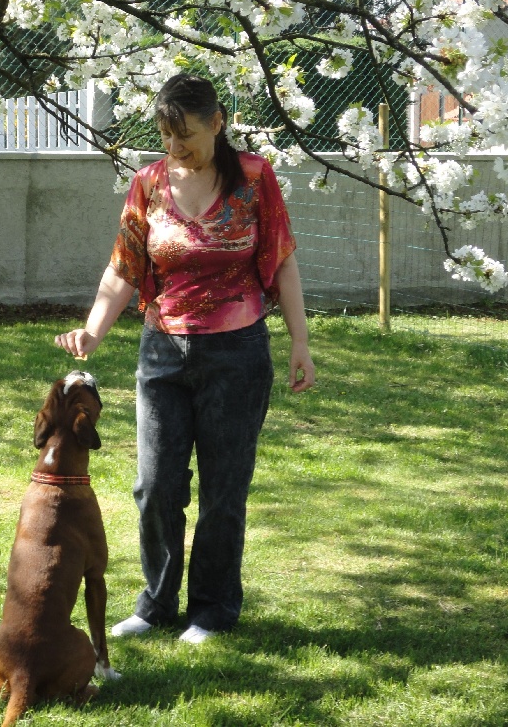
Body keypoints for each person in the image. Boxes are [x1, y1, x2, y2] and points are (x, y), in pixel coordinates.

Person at [55, 73, 315, 644]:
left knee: (224, 488)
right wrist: (93, 331)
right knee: (155, 485)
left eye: (187, 136)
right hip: (162, 352)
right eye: (167, 136)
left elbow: (283, 260)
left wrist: (300, 341)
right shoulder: (148, 183)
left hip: (237, 352)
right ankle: (156, 604)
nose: (176, 149)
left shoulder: (253, 178)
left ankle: (213, 609)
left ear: (217, 122)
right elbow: (124, 266)